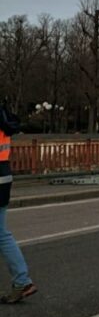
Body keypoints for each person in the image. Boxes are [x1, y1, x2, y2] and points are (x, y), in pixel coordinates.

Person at [1, 104, 36, 303]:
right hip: (3, 175)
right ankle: (21, 280)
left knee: (1, 234)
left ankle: (22, 280)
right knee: (1, 233)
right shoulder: (3, 115)